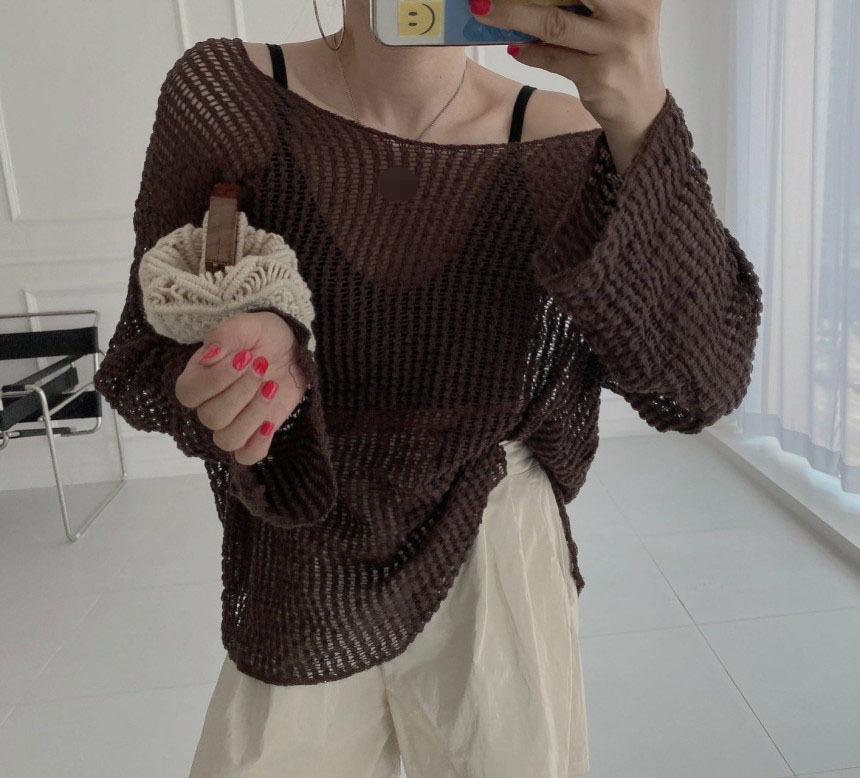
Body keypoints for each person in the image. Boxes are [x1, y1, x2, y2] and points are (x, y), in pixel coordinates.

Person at [92, 0, 763, 776]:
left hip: (497, 552)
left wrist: (642, 123)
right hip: (302, 555)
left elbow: (699, 383)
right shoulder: (226, 97)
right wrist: (246, 355)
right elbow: (148, 349)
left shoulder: (575, 139)